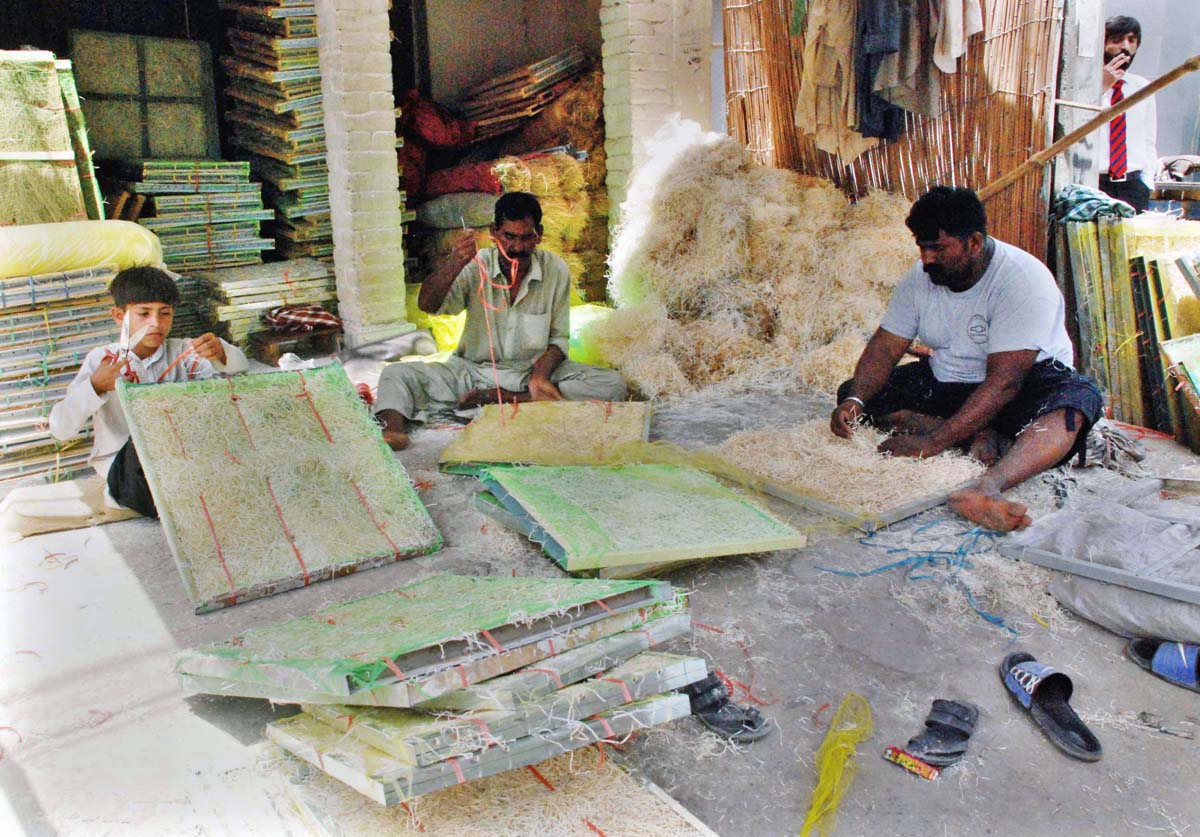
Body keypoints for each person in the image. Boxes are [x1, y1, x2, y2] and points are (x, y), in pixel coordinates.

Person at [829, 187, 1103, 532]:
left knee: (1073, 406)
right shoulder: (920, 278)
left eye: (937, 248)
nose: (926, 258)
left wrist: (933, 443)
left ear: (974, 242)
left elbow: (1005, 382)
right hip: (950, 382)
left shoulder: (1022, 280)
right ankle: (979, 436)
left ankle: (985, 486)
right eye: (922, 247)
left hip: (1025, 385)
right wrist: (856, 400)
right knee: (857, 393)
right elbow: (885, 347)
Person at [374, 192, 628, 449]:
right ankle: (391, 428)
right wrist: (454, 262)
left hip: (529, 373)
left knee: (612, 384)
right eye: (509, 237)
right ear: (495, 232)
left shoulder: (556, 269)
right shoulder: (476, 265)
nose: (517, 248)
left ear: (538, 234)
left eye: (526, 237)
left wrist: (539, 378)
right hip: (472, 371)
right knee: (396, 373)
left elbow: (558, 339)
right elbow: (428, 305)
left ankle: (506, 399)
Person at [48, 266, 249, 517]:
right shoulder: (102, 360)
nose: (156, 323)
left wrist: (221, 353)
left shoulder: (185, 352)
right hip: (126, 466)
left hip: (180, 455)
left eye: (164, 313)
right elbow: (60, 429)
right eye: (143, 314)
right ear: (119, 316)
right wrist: (95, 387)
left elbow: (240, 372)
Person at [1097, 15, 1156, 213]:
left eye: (1131, 40)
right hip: (1097, 183)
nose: (1125, 47)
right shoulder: (1086, 85)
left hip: (1133, 185)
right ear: (1103, 43)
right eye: (1117, 40)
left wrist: (1146, 183)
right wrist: (1103, 86)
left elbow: (1149, 139)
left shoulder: (1142, 87)